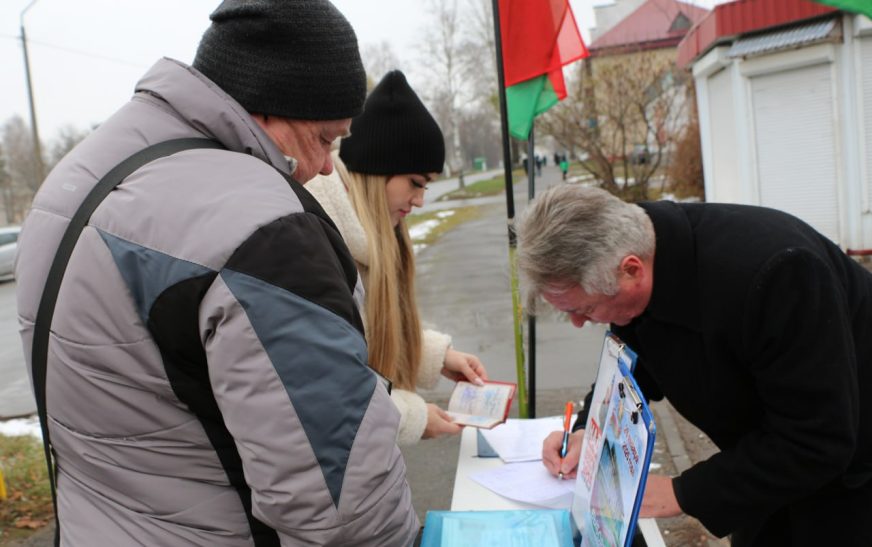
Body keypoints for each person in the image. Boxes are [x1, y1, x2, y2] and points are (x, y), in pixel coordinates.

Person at [14, 1, 418, 545]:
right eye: (325, 138)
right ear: (271, 106)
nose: (327, 167)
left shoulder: (73, 181)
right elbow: (340, 503)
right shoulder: (264, 229)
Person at [517, 185, 872, 546]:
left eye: (584, 309)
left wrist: (680, 494)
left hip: (851, 470)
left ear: (631, 270)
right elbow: (631, 369)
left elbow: (817, 438)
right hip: (764, 455)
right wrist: (588, 433)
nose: (580, 323)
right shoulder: (626, 251)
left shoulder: (778, 274)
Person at [306, 70, 488, 445]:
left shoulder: (374, 230)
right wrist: (414, 417)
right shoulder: (316, 235)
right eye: (415, 183)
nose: (420, 200)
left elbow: (371, 328)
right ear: (378, 170)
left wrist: (438, 357)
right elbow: (328, 381)